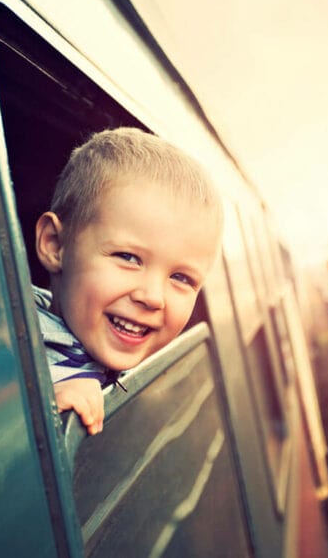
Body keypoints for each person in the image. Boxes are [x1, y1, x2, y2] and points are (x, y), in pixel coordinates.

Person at [32, 127, 223, 436]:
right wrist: (34, 410)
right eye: (128, 257)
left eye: (180, 277)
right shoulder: (8, 349)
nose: (153, 297)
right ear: (55, 245)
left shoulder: (109, 352)